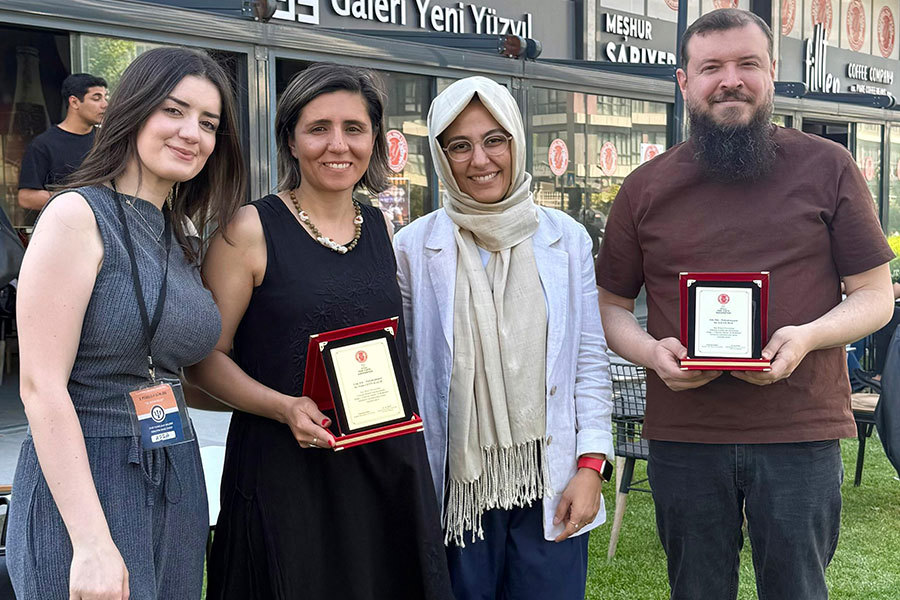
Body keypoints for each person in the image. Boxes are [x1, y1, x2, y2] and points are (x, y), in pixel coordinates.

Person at [595, 9, 895, 600]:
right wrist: (652, 353)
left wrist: (806, 337)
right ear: (685, 82)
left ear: (772, 72)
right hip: (685, 435)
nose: (729, 80)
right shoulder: (645, 186)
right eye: (711, 67)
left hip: (799, 430)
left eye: (747, 64)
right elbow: (611, 307)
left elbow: (875, 295)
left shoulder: (828, 166)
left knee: (798, 590)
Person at [185, 63, 453, 600]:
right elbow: (204, 361)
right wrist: (283, 406)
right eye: (318, 128)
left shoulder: (381, 227)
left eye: (354, 128)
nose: (338, 145)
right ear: (291, 140)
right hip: (286, 470)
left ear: (374, 139)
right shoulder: (247, 230)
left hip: (382, 465)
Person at [6, 47, 245, 600]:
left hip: (175, 469)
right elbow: (41, 388)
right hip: (87, 478)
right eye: (174, 111)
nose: (192, 133)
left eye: (209, 123)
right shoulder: (76, 215)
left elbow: (191, 365)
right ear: (134, 111)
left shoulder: (180, 234)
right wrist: (91, 542)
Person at [393, 76, 614, 600]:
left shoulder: (567, 238)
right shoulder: (412, 247)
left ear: (516, 140)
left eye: (495, 140)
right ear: (441, 156)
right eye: (460, 146)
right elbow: (405, 371)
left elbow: (588, 358)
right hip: (458, 487)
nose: (480, 159)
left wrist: (592, 466)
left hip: (550, 478)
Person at [17, 73, 108, 211]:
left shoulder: (106, 140)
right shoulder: (43, 145)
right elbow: (26, 198)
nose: (105, 104)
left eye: (105, 97)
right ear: (74, 102)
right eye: (96, 98)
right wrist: (79, 199)